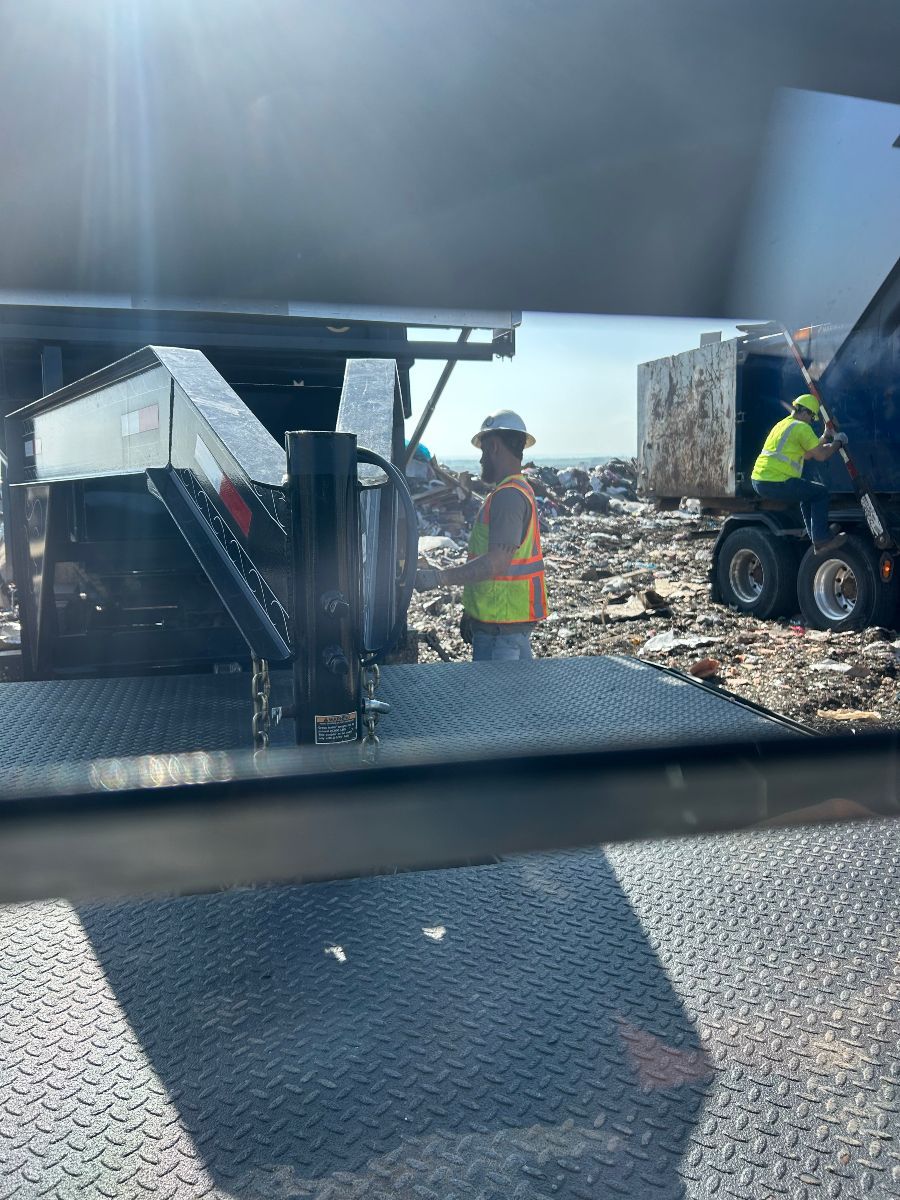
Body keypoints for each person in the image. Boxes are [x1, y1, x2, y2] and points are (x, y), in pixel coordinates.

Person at [415, 410, 548, 661]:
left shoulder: (508, 497)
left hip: (503, 631)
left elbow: (496, 563)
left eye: (483, 451)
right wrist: (472, 613)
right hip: (496, 623)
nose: (481, 460)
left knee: (500, 701)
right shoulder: (509, 491)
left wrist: (438, 578)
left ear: (495, 447)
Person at [750, 393, 849, 554]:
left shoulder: (784, 424)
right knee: (820, 493)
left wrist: (825, 437)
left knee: (807, 495)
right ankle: (821, 539)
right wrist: (839, 441)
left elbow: (808, 453)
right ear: (805, 412)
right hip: (776, 480)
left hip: (760, 480)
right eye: (812, 417)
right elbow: (821, 456)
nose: (811, 421)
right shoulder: (802, 428)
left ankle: (818, 538)